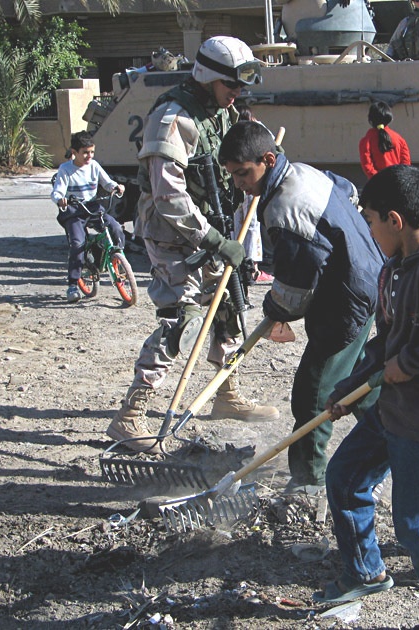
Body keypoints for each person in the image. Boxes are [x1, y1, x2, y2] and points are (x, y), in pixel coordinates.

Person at [314, 164, 419, 629]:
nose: (368, 229)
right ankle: (366, 571)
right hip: (390, 409)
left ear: (395, 220)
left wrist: (407, 363)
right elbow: (386, 343)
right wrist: (351, 387)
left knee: (418, 526)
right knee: (345, 478)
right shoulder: (395, 269)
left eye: (370, 219)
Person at [107, 36, 279, 453]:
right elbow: (168, 197)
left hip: (210, 226)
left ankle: (226, 393)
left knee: (227, 309)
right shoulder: (172, 117)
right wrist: (215, 240)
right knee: (180, 320)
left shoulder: (220, 111)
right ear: (208, 78)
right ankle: (130, 414)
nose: (236, 94)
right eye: (231, 85)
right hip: (171, 234)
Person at [219, 120, 385, 495]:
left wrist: (274, 308)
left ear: (268, 159)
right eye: (232, 176)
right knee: (359, 377)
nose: (239, 184)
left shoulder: (285, 210)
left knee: (312, 393)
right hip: (368, 278)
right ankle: (394, 436)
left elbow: (294, 288)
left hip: (346, 300)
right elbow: (348, 190)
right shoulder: (306, 173)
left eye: (244, 173)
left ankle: (308, 480)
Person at [50, 131, 125, 304]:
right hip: (73, 210)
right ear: (74, 152)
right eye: (85, 152)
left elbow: (107, 183)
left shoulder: (94, 166)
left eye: (91, 152)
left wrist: (116, 187)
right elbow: (57, 191)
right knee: (77, 244)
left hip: (92, 207)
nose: (89, 156)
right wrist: (60, 200)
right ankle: (73, 285)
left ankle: (118, 259)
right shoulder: (65, 169)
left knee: (115, 227)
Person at [233, 104, 273, 283]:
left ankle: (240, 265)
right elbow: (271, 140)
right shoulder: (254, 134)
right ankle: (252, 268)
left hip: (236, 186)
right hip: (250, 184)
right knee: (251, 224)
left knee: (238, 223)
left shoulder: (232, 133)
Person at [359, 101, 411, 179]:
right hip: (398, 182)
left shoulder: (366, 141)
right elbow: (405, 163)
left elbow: (367, 165)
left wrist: (378, 179)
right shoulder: (399, 139)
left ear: (371, 119)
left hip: (378, 184)